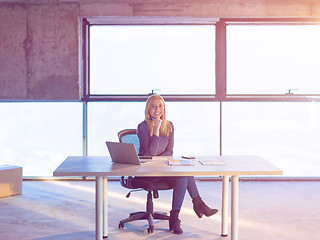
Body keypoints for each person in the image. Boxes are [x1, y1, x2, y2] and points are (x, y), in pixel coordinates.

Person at [137, 94, 218, 234]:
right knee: (184, 175)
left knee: (183, 175)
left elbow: (169, 151)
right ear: (148, 109)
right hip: (148, 173)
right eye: (153, 106)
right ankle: (199, 204)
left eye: (160, 106)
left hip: (163, 170)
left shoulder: (169, 125)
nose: (157, 109)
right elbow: (150, 153)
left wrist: (160, 160)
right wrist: (156, 129)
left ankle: (174, 218)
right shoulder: (142, 127)